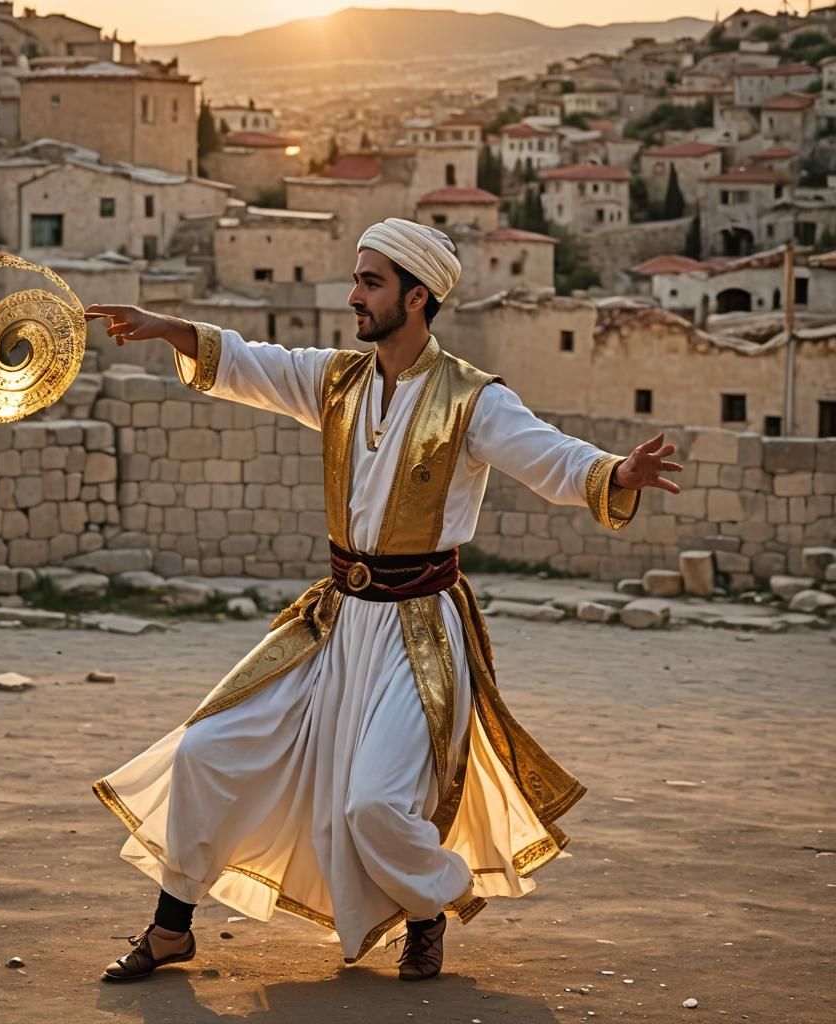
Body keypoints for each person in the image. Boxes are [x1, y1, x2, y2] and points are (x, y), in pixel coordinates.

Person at [84, 217, 682, 984]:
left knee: (373, 806)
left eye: (370, 283)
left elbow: (551, 457)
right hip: (333, 624)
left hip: (419, 634)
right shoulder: (337, 380)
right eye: (358, 279)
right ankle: (172, 930)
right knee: (206, 752)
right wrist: (167, 326)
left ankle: (429, 910)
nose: (353, 296)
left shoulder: (472, 400)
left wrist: (614, 474)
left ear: (418, 295)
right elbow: (253, 363)